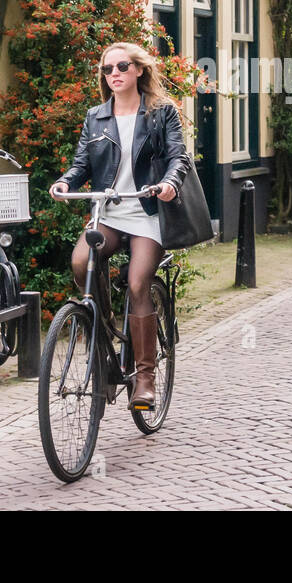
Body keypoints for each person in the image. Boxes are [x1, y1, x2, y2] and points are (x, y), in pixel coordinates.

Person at [50, 42, 190, 409]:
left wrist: (170, 183)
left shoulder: (162, 112)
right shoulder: (95, 115)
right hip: (109, 212)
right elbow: (82, 163)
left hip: (146, 211)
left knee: (137, 282)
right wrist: (66, 182)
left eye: (122, 66)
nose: (114, 74)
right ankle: (104, 330)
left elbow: (179, 156)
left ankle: (144, 378)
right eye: (108, 69)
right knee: (82, 262)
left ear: (139, 70)